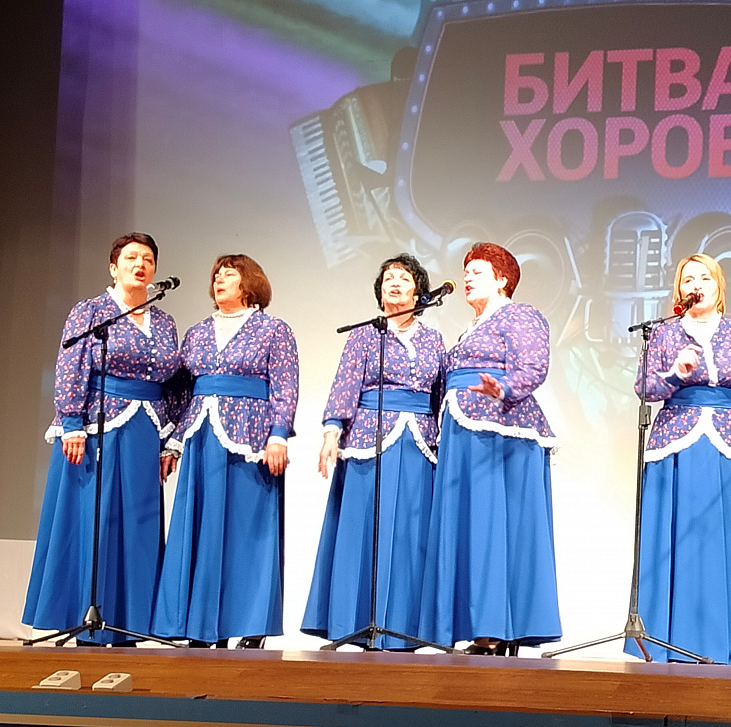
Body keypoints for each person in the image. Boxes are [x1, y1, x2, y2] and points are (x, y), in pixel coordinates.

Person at [23, 233, 181, 645]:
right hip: (97, 427)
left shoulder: (165, 322)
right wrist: (72, 422)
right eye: (131, 258)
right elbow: (70, 365)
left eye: (147, 259)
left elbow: (172, 382)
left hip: (145, 431)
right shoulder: (91, 311)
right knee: (93, 518)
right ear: (113, 267)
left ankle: (129, 622)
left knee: (138, 523)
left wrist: (170, 439)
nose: (140, 265)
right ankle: (86, 618)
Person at [626, 253, 731, 665]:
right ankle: (668, 640)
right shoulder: (663, 334)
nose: (696, 284)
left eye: (705, 277)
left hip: (728, 446)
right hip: (676, 446)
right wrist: (675, 373)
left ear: (718, 285)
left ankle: (719, 642)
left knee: (721, 542)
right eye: (688, 279)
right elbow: (644, 389)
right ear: (680, 290)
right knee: (678, 542)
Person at [418, 242, 561, 655]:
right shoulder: (469, 328)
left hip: (499, 432)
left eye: (477, 271)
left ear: (502, 279)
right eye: (466, 271)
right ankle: (474, 625)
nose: (467, 278)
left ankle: (494, 630)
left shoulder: (519, 314)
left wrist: (504, 388)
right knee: (467, 527)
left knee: (491, 526)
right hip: (462, 432)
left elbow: (533, 365)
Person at [152, 254, 298, 648]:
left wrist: (278, 435)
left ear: (249, 282)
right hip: (202, 438)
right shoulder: (197, 332)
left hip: (251, 439)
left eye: (229, 274)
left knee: (248, 531)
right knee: (201, 529)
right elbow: (182, 391)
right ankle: (200, 626)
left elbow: (285, 386)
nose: (219, 280)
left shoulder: (274, 330)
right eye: (216, 274)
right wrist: (173, 441)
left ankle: (251, 625)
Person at [301, 254, 444, 648]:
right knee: (364, 530)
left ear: (419, 291)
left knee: (411, 535)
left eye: (404, 278)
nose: (394, 283)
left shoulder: (434, 339)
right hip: (369, 440)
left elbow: (440, 394)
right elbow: (345, 385)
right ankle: (357, 622)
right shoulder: (365, 335)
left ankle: (406, 629)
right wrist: (332, 433)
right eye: (388, 278)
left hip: (419, 445)